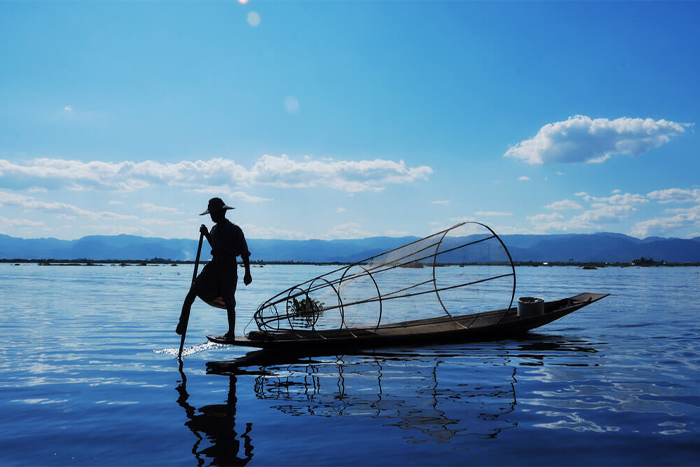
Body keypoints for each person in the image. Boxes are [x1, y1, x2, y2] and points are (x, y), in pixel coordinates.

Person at [176, 197, 252, 340]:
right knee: (193, 290)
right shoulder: (214, 230)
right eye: (210, 213)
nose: (211, 216)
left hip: (228, 267)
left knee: (229, 301)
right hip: (214, 266)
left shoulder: (234, 230)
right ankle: (182, 322)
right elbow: (215, 247)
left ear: (221, 213)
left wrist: (247, 273)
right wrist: (206, 235)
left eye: (213, 213)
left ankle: (231, 333)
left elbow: (244, 253)